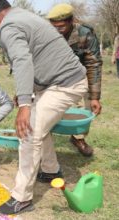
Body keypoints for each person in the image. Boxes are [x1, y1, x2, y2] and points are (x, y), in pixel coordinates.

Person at [0, 0, 88, 214]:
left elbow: (22, 60)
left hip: (64, 83)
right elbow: (34, 57)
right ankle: (50, 170)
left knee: (28, 131)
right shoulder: (23, 15)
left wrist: (24, 104)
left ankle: (22, 198)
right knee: (41, 126)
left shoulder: (7, 27)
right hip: (59, 81)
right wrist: (23, 93)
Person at [47, 3, 102, 157]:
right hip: (53, 74)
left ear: (71, 21)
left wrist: (95, 97)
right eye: (54, 26)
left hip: (79, 74)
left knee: (83, 109)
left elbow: (93, 64)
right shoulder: (46, 33)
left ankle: (78, 138)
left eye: (61, 26)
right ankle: (45, 141)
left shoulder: (85, 34)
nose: (57, 30)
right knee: (45, 108)